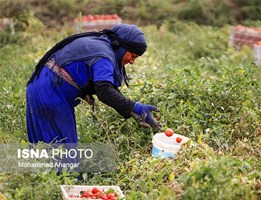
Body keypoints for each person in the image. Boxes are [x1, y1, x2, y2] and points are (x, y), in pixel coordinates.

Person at [26, 23, 161, 144]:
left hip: (41, 85)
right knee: (64, 154)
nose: (132, 62)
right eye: (132, 55)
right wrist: (135, 107)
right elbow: (104, 90)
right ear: (120, 46)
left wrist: (132, 110)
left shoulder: (102, 45)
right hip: (51, 91)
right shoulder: (104, 56)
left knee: (43, 149)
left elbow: (108, 88)